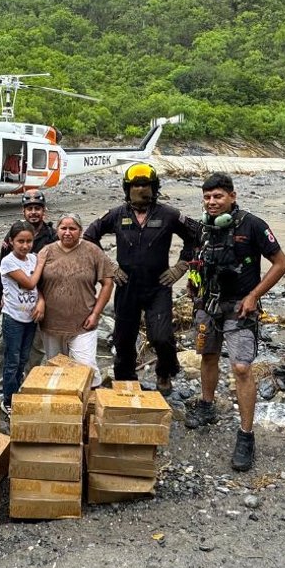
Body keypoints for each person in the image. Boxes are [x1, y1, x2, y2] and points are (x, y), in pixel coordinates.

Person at [183, 172, 285, 472]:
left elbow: (281, 264)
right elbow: (195, 260)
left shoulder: (253, 225)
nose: (212, 202)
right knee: (207, 356)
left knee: (242, 368)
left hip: (241, 307)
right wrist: (194, 283)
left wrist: (254, 295)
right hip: (208, 305)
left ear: (232, 196)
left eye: (217, 196)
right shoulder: (202, 228)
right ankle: (207, 406)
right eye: (207, 197)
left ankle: (246, 436)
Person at [83, 162, 199, 394]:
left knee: (162, 337)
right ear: (127, 189)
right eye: (135, 185)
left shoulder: (169, 214)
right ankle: (126, 380)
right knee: (123, 339)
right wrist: (109, 266)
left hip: (159, 286)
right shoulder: (117, 215)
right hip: (126, 286)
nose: (140, 189)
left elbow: (196, 236)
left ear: (154, 188)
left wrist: (182, 266)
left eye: (145, 185)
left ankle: (165, 371)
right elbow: (89, 236)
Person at [33, 213, 114, 387]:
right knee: (57, 370)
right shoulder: (46, 252)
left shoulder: (93, 251)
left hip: (83, 323)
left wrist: (96, 314)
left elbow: (107, 283)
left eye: (72, 228)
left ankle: (91, 405)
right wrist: (40, 301)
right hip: (51, 324)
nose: (67, 232)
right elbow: (34, 282)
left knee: (86, 369)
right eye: (63, 228)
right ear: (57, 230)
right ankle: (66, 409)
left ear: (80, 230)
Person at [0, 190, 57, 386]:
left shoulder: (51, 236)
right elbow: (1, 267)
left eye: (38, 208)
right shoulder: (13, 233)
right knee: (4, 346)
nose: (34, 212)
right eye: (30, 209)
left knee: (35, 347)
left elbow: (50, 274)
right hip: (13, 302)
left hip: (39, 300)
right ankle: (0, 385)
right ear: (24, 211)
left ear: (44, 211)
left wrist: (43, 301)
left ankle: (28, 384)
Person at [0, 221, 43, 413]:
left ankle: (18, 392)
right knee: (12, 359)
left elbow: (40, 288)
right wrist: (41, 262)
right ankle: (8, 399)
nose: (25, 245)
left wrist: (41, 302)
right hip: (13, 318)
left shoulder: (32, 258)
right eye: (20, 241)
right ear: (11, 241)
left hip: (30, 317)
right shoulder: (8, 262)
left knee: (23, 358)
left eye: (29, 241)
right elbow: (31, 283)